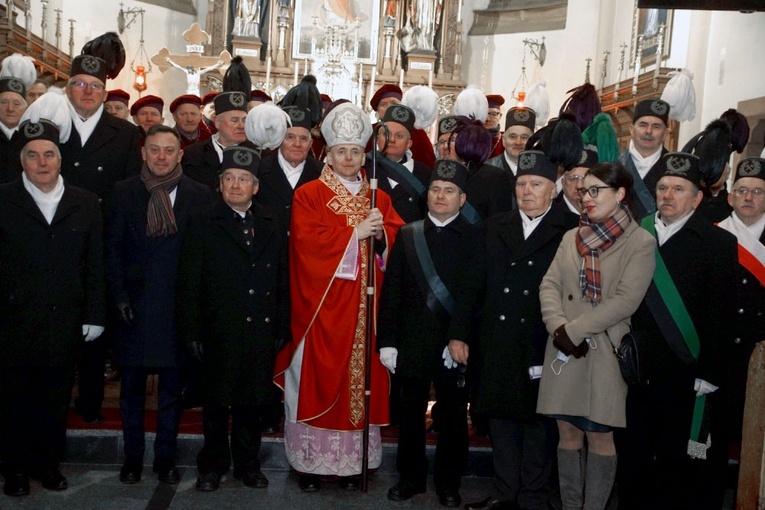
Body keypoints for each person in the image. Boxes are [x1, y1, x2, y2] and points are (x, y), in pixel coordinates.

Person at [274, 102, 405, 492]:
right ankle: (311, 466)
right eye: (340, 151)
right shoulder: (309, 194)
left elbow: (396, 236)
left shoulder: (377, 196)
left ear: (364, 154)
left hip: (367, 308)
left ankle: (352, 467)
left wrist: (382, 236)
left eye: (354, 151)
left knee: (361, 381)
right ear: (326, 154)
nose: (348, 158)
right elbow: (304, 244)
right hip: (322, 308)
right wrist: (353, 235)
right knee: (317, 377)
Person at [616, 152, 737, 510]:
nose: (667, 195)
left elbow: (723, 314)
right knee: (633, 460)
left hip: (685, 376)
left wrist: (711, 372)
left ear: (697, 198)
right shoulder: (636, 233)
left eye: (678, 189)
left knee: (677, 465)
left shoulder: (718, 244)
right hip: (636, 374)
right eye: (663, 187)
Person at [537, 161, 656, 510]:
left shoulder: (641, 242)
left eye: (595, 191)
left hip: (603, 351)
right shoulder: (570, 237)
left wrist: (572, 330)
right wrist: (557, 327)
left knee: (600, 435)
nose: (585, 197)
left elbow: (625, 302)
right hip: (562, 350)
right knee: (567, 433)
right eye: (582, 190)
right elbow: (549, 284)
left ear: (619, 194)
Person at [465, 150, 580, 510]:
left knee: (538, 423)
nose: (527, 191)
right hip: (497, 339)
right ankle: (505, 492)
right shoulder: (495, 225)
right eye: (521, 184)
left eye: (536, 184)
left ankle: (533, 496)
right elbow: (474, 284)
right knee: (501, 420)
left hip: (542, 341)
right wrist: (459, 333)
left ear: (554, 189)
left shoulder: (571, 231)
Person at [0, 117, 105, 497]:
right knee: (13, 398)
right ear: (21, 161)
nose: (42, 162)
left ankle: (47, 465)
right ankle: (13, 468)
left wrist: (94, 313)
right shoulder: (4, 199)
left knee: (54, 397)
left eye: (49, 154)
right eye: (33, 156)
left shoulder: (85, 202)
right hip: (14, 320)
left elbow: (95, 262)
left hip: (65, 318)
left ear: (60, 160)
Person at [178, 146, 290, 492]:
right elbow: (189, 279)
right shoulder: (202, 219)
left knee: (252, 403)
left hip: (260, 326)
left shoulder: (272, 220)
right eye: (229, 179)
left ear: (256, 186)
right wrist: (192, 329)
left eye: (244, 179)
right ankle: (211, 465)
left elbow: (283, 278)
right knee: (215, 403)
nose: (236, 185)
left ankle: (248, 464)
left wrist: (282, 324)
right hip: (218, 327)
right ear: (220, 184)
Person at [105, 125, 212, 486]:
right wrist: (118, 296)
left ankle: (165, 459)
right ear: (143, 153)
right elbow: (112, 250)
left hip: (177, 311)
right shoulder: (123, 192)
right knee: (131, 391)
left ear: (181, 155)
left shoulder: (200, 195)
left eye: (169, 150)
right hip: (134, 308)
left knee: (171, 393)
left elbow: (203, 261)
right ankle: (132, 459)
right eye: (155, 150)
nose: (162, 157)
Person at [378, 159, 483, 508]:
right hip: (410, 341)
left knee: (453, 418)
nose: (441, 196)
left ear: (462, 198)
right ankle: (410, 478)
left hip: (452, 344)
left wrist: (461, 336)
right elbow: (392, 292)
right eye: (436, 189)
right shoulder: (408, 234)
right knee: (409, 416)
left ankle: (449, 483)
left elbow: (474, 295)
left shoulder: (475, 239)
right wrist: (388, 341)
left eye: (449, 191)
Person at [61, 52, 142, 424]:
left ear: (105, 92)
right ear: (68, 89)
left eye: (95, 86)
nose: (87, 91)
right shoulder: (52, 126)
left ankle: (91, 402)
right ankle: (56, 402)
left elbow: (128, 192)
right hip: (56, 238)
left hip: (101, 238)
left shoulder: (125, 133)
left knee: (96, 322)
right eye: (80, 84)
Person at [717, 157, 765, 499]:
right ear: (730, 197)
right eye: (742, 191)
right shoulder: (713, 235)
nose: (749, 197)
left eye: (758, 192)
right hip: (720, 349)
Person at [256, 104, 323, 232]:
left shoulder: (323, 174)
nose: (297, 144)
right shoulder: (259, 170)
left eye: (303, 138)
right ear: (279, 139)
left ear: (310, 144)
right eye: (290, 137)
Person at [182, 91, 257, 191]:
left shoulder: (258, 154)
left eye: (244, 120)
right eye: (234, 120)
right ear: (217, 122)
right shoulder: (192, 154)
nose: (241, 126)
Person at [370, 103, 432, 223]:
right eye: (386, 134)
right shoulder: (364, 168)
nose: (391, 140)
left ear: (409, 144)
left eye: (399, 136)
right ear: (377, 139)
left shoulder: (425, 175)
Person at [617, 98, 670, 219]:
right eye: (643, 125)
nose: (649, 131)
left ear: (665, 134)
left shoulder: (673, 170)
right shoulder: (614, 164)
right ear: (631, 130)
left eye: (656, 126)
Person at [367, 84, 436, 168]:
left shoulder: (417, 133)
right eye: (383, 104)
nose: (389, 107)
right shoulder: (369, 131)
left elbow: (428, 166)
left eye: (393, 103)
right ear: (377, 110)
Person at [486, 107, 537, 209]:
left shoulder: (540, 172)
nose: (518, 142)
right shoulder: (486, 169)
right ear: (503, 140)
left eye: (524, 137)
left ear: (533, 141)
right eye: (513, 136)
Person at [556, 145, 599, 215]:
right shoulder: (551, 215)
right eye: (574, 178)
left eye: (585, 178)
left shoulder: (604, 213)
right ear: (563, 183)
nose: (579, 185)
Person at [0, 76, 27, 183]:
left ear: (25, 108)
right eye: (4, 102)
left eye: (16, 104)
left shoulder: (29, 137)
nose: (10, 109)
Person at [484, 94, 505, 159]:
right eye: (484, 114)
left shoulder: (506, 139)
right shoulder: (472, 138)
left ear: (500, 116)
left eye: (493, 114)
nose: (488, 119)